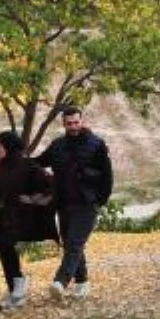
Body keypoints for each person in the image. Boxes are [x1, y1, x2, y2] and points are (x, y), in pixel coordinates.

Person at [42, 103, 113, 304]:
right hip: (64, 204)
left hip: (86, 204)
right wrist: (21, 160)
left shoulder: (96, 144)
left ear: (82, 121)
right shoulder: (57, 146)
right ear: (63, 124)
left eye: (76, 122)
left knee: (74, 243)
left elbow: (107, 175)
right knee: (71, 244)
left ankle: (60, 282)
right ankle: (82, 283)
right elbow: (40, 161)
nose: (73, 126)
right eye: (69, 123)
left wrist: (100, 200)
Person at [0, 129, 58, 310]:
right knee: (3, 248)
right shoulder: (0, 166)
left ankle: (19, 286)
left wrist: (32, 199)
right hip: (2, 215)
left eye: (0, 145)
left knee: (6, 244)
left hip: (21, 216)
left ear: (9, 146)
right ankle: (14, 289)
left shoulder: (27, 165)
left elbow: (49, 185)